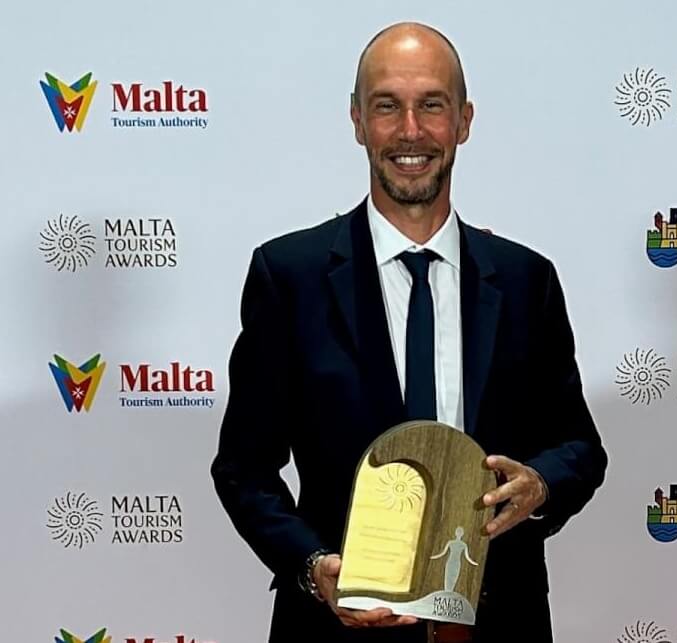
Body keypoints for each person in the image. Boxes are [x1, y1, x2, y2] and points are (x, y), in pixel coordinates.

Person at [211, 21, 607, 643]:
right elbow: (243, 468)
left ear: (465, 120)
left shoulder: (528, 279)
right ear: (357, 121)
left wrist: (540, 484)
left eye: (432, 105)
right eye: (387, 106)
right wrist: (313, 568)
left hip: (501, 623)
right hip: (337, 629)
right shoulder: (290, 277)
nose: (411, 132)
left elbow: (579, 446)